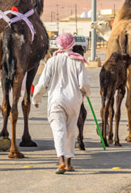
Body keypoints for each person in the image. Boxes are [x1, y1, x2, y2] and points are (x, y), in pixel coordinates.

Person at [32, 33, 91, 174]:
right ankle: (69, 163)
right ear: (72, 45)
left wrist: (36, 99)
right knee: (71, 131)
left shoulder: (51, 62)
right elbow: (84, 83)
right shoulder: (78, 61)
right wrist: (86, 93)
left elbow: (42, 84)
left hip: (56, 100)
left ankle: (61, 161)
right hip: (74, 100)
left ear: (57, 45)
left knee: (59, 130)